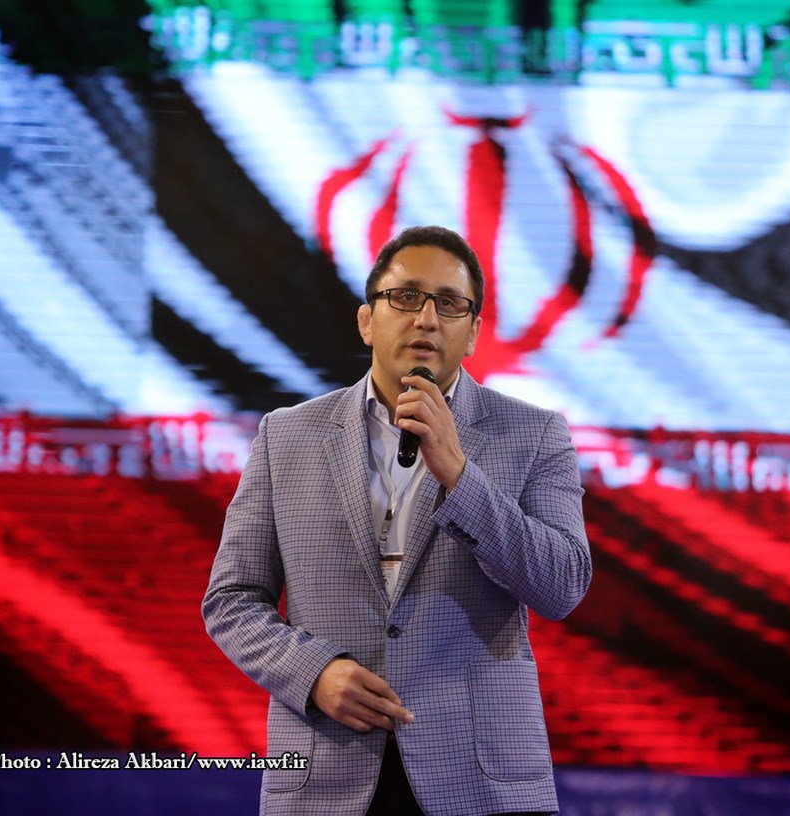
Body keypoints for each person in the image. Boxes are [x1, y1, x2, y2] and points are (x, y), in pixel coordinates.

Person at [202, 225, 593, 816]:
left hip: (483, 782)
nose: (427, 319)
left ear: (473, 332)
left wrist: (459, 474)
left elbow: (562, 586)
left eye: (450, 303)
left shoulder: (534, 434)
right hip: (326, 777)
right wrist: (313, 673)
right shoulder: (287, 436)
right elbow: (231, 599)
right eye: (406, 297)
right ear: (367, 320)